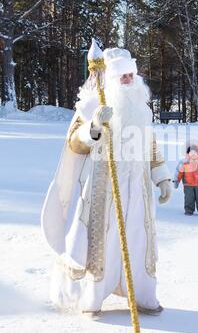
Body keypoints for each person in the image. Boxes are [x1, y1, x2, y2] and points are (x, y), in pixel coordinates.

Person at [41, 47, 172, 318]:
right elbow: (74, 144)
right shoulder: (90, 105)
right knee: (102, 240)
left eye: (131, 74)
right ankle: (92, 298)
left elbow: (150, 145)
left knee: (138, 239)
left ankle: (142, 294)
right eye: (122, 75)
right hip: (103, 187)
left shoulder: (142, 110)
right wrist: (94, 128)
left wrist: (162, 178)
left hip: (138, 189)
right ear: (110, 78)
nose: (128, 80)